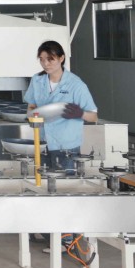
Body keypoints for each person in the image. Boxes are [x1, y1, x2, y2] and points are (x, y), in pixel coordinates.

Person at [24, 40, 98, 176]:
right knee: (43, 181)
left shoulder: (76, 85)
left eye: (50, 59)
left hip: (66, 145)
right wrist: (31, 116)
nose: (45, 64)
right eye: (41, 59)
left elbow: (93, 116)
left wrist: (80, 113)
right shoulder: (37, 80)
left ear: (61, 58)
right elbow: (32, 105)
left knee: (65, 184)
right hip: (42, 142)